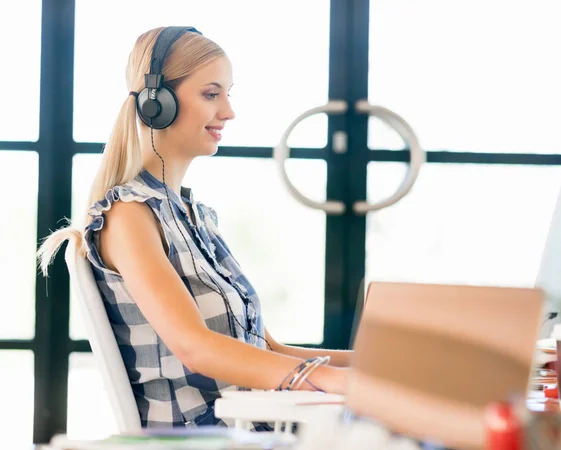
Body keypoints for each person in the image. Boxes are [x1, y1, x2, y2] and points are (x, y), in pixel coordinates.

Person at [37, 26, 350, 429]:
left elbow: (268, 348)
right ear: (157, 103)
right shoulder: (128, 214)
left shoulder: (195, 216)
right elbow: (194, 347)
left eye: (227, 94)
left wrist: (380, 369)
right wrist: (326, 380)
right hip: (204, 434)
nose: (229, 111)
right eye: (211, 93)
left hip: (249, 428)